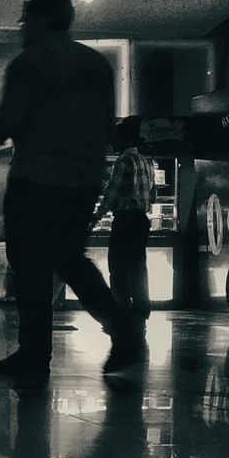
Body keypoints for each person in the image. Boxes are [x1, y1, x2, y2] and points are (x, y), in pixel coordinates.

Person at [0, 0, 139, 376]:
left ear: (38, 21)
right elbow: (107, 126)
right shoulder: (97, 64)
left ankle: (34, 355)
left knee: (30, 268)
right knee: (70, 259)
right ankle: (123, 330)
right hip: (82, 180)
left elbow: (10, 121)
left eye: (25, 21)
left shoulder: (29, 62)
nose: (22, 29)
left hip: (35, 178)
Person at [97, 125, 153, 324]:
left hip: (125, 219)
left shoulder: (123, 161)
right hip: (141, 219)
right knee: (138, 266)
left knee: (118, 266)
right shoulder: (145, 161)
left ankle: (121, 308)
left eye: (116, 138)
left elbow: (113, 192)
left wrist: (98, 213)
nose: (113, 142)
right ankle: (142, 308)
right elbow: (151, 191)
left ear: (126, 140)